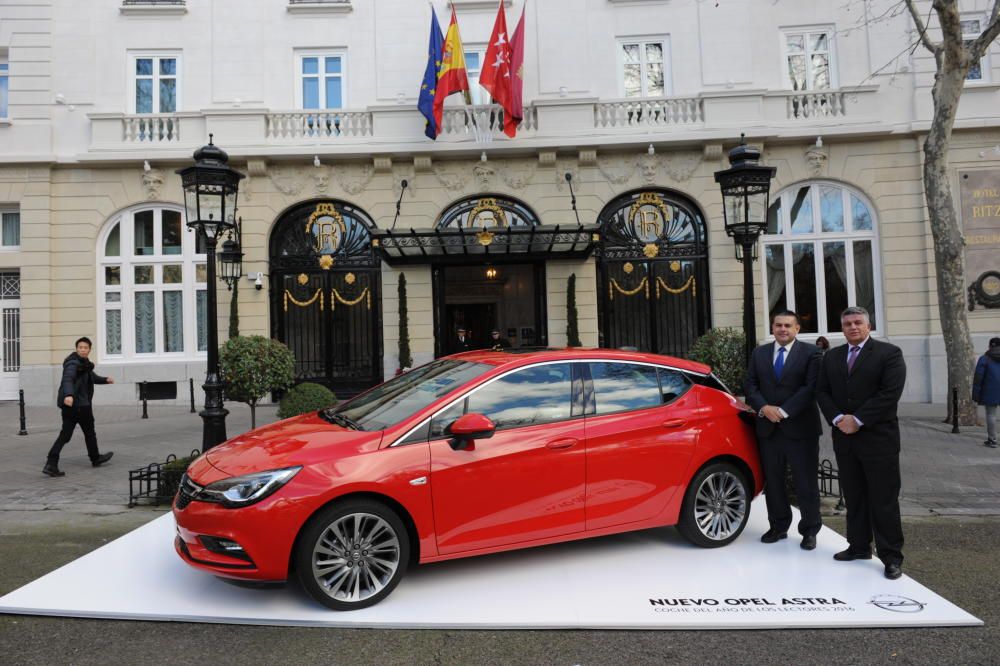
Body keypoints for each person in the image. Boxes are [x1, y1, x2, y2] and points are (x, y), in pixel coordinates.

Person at [816, 306, 907, 580]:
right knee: (854, 496)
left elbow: (889, 393)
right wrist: (837, 418)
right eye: (847, 324)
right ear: (842, 328)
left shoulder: (889, 354)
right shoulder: (832, 357)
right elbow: (822, 391)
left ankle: (891, 556)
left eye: (857, 323)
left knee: (883, 500)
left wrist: (858, 419)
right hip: (845, 439)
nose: (852, 327)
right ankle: (858, 546)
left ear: (868, 326)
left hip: (879, 439)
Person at [745, 310, 824, 550]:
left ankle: (810, 530)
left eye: (788, 325)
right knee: (774, 481)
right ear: (772, 328)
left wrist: (784, 411)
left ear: (797, 328)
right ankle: (778, 527)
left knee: (805, 482)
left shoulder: (812, 353)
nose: (782, 329)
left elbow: (811, 387)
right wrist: (764, 408)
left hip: (800, 429)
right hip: (768, 429)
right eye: (778, 325)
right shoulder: (760, 353)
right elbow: (750, 384)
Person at [43, 337, 115, 477]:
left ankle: (51, 463)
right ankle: (95, 458)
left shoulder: (85, 364)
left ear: (89, 349)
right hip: (79, 405)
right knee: (88, 433)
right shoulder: (73, 364)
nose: (83, 350)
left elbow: (92, 378)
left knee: (66, 435)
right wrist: (69, 394)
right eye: (80, 347)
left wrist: (105, 380)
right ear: (77, 349)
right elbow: (67, 379)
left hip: (74, 406)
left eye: (85, 347)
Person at [972, 336, 1000, 448]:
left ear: (989, 346)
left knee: (991, 415)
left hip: (990, 391)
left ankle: (992, 440)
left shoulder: (984, 359)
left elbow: (978, 378)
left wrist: (975, 395)